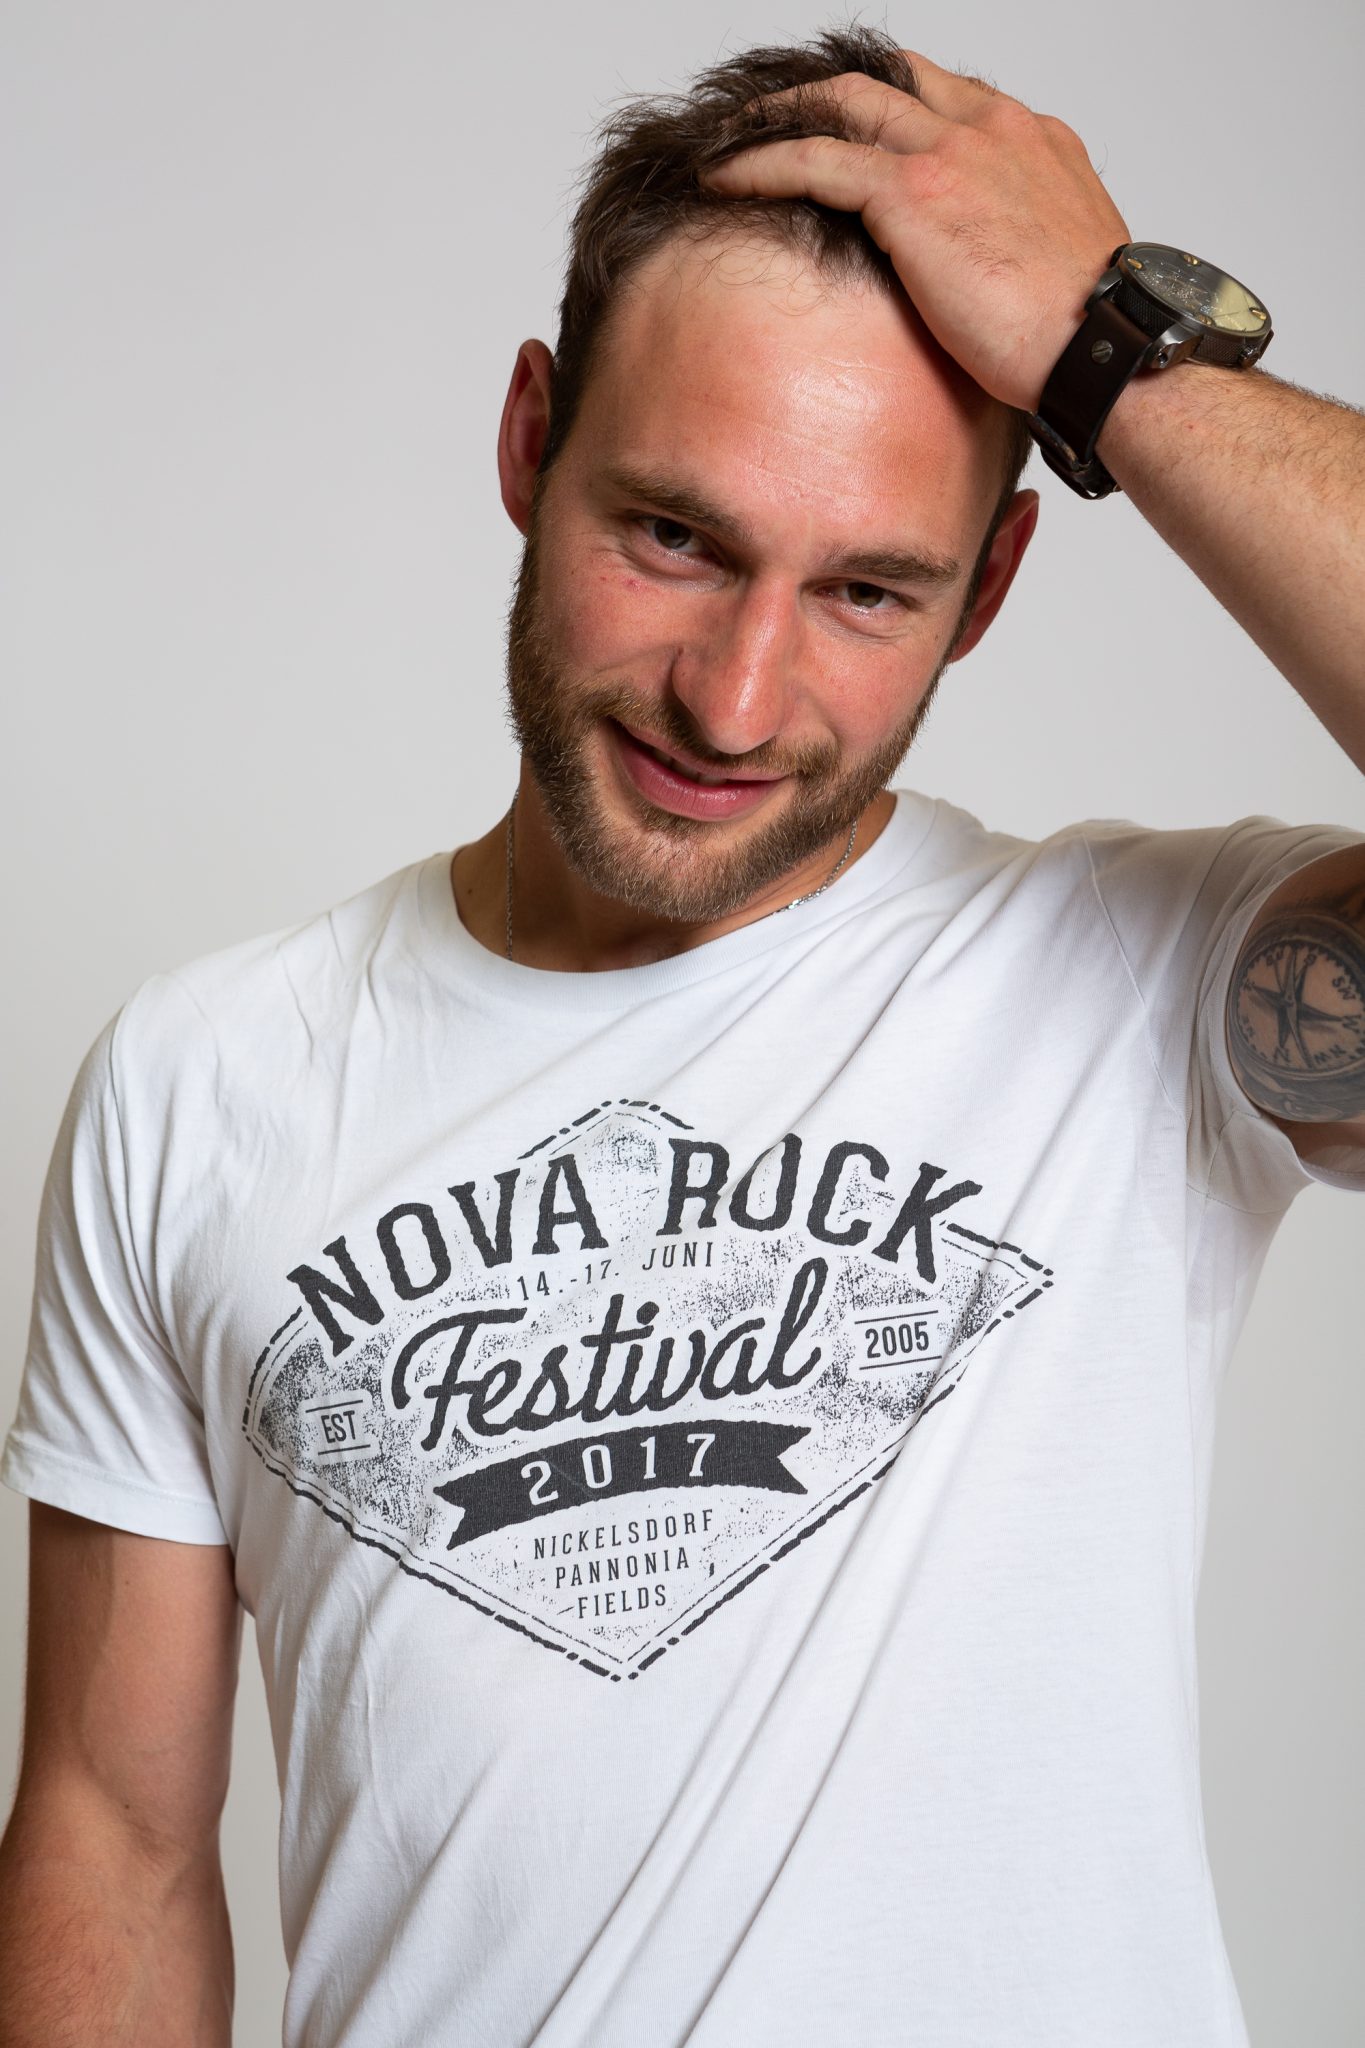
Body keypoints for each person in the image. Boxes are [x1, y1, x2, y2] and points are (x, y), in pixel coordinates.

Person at [0, 23, 1361, 2048]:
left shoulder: (1152, 988)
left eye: (866, 592)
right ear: (528, 440)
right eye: (673, 537)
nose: (730, 701)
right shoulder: (205, 1078)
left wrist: (1121, 364)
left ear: (990, 587)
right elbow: (112, 1840)